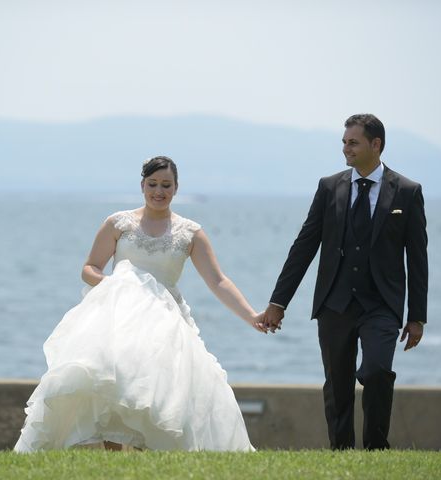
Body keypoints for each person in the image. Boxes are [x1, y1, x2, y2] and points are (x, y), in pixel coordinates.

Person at [14, 156, 266, 452]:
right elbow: (90, 268)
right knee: (113, 381)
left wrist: (252, 316)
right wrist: (118, 284)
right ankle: (114, 461)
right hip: (119, 317)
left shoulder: (190, 233)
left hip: (165, 320)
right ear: (142, 185)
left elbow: (218, 281)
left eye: (166, 185)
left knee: (156, 389)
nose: (159, 191)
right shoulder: (119, 223)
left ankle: (148, 456)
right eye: (153, 184)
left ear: (176, 187)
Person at [261, 114, 428, 450]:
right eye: (344, 142)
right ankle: (341, 453)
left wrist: (417, 316)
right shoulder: (329, 187)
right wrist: (278, 303)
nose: (346, 149)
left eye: (353, 142)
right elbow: (304, 247)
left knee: (378, 371)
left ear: (375, 144)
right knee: (337, 386)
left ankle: (376, 448)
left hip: (382, 304)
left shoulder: (407, 192)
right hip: (334, 303)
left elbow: (418, 258)